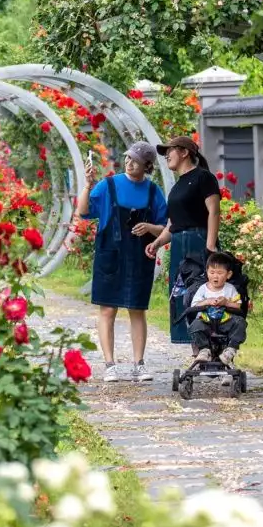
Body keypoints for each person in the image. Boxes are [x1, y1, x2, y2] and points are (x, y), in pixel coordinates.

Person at [77, 141, 166, 381]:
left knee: (137, 310)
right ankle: (109, 365)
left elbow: (166, 228)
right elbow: (83, 212)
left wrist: (150, 227)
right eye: (128, 158)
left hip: (140, 258)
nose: (129, 162)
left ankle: (139, 363)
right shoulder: (108, 185)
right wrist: (87, 185)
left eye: (135, 160)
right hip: (110, 255)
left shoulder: (153, 191)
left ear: (146, 166)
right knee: (107, 309)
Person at [144, 136, 221, 345]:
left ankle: (215, 351)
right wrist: (158, 242)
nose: (167, 155)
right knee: (183, 297)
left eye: (170, 150)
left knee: (205, 295)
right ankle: (198, 352)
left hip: (199, 242)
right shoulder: (178, 185)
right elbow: (173, 223)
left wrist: (211, 246)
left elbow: (214, 211)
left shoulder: (203, 178)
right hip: (179, 244)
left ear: (185, 152)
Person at [186, 250, 246, 363]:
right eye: (212, 272)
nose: (215, 276)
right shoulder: (203, 288)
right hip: (206, 321)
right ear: (207, 272)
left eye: (219, 273)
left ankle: (230, 350)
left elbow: (238, 306)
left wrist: (226, 303)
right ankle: (204, 350)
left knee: (240, 322)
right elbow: (194, 305)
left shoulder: (230, 289)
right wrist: (207, 301)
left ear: (228, 275)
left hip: (225, 321)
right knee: (194, 325)